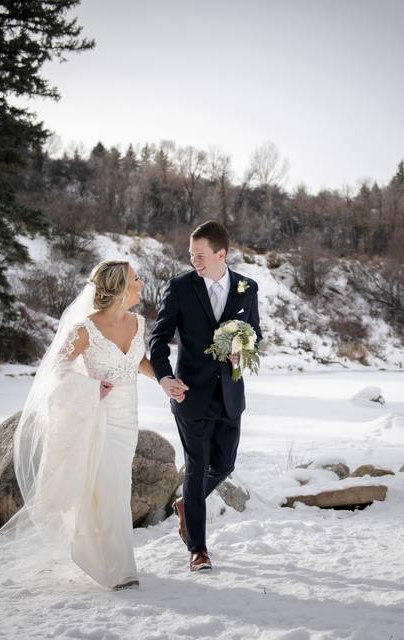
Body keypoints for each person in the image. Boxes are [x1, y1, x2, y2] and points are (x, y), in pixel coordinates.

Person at [0, 259, 156, 590]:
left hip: (129, 418)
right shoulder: (84, 329)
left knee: (117, 488)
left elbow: (137, 361)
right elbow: (56, 373)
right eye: (135, 279)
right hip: (98, 416)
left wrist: (166, 381)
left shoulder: (138, 323)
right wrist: (91, 388)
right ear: (120, 288)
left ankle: (108, 557)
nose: (141, 283)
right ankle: (119, 569)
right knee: (109, 489)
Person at [149, 220, 262, 572]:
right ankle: (198, 550)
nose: (194, 260)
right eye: (191, 255)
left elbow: (255, 333)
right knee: (196, 470)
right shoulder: (180, 288)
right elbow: (157, 339)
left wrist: (242, 349)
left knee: (224, 464)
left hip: (230, 393)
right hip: (190, 395)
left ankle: (187, 502)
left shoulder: (248, 288)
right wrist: (165, 378)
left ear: (221, 254)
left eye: (200, 255)